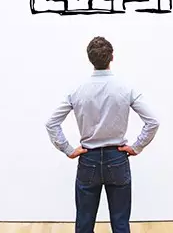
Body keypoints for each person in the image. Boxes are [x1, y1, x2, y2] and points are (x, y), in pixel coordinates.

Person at [45, 36, 160, 233]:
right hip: (117, 158)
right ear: (112, 57)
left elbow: (51, 123)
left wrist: (68, 150)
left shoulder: (77, 90)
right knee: (121, 224)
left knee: (84, 223)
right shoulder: (125, 88)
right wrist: (137, 146)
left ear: (90, 59)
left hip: (88, 159)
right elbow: (153, 121)